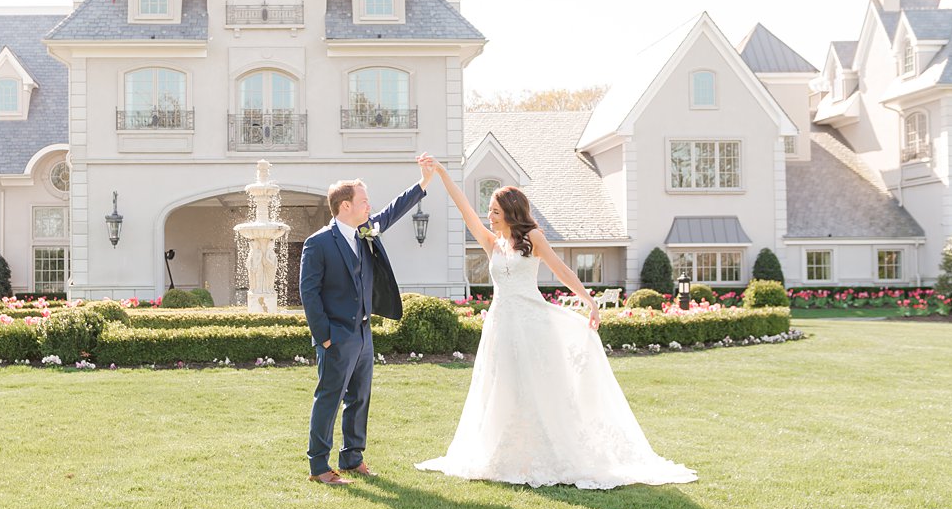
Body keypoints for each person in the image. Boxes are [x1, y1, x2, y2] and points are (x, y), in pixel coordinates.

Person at [416, 157, 697, 490]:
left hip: (533, 324)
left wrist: (589, 300)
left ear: (510, 212)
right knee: (503, 385)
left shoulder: (532, 237)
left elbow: (562, 271)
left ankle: (552, 453)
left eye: (494, 211)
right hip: (502, 325)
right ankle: (508, 454)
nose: (488, 216)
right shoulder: (492, 243)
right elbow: (463, 208)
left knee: (538, 386)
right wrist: (441, 174)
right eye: (489, 211)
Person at [298, 157, 434, 485]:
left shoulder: (365, 231)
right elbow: (309, 294)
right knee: (329, 399)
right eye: (363, 201)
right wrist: (325, 337)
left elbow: (392, 211)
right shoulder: (317, 244)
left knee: (360, 397)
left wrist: (424, 182)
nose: (369, 206)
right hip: (336, 336)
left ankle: (352, 457)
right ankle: (319, 467)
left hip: (362, 332)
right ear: (345, 206)